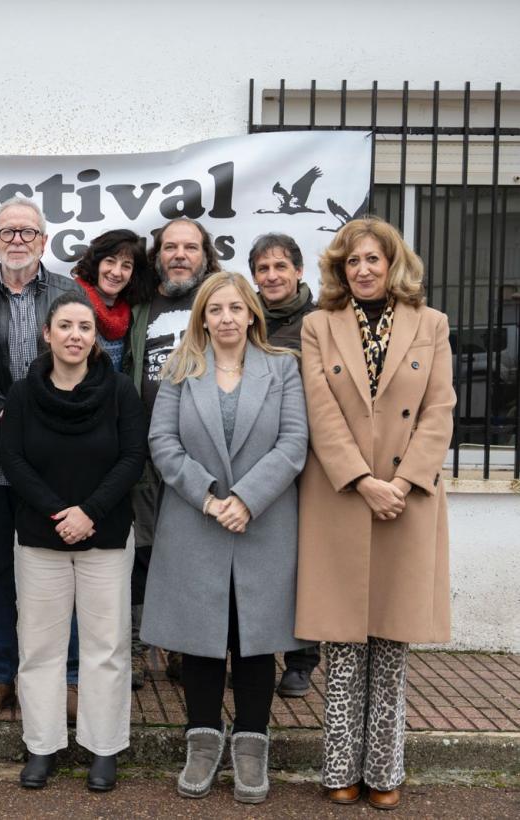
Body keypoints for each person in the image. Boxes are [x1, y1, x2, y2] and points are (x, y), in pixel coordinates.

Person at [295, 218, 454, 812]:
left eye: (373, 260)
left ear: (393, 265)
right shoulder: (318, 325)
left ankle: (385, 768)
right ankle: (339, 767)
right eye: (352, 261)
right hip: (341, 496)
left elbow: (440, 410)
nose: (363, 269)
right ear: (339, 270)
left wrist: (402, 481)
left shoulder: (431, 324)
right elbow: (319, 411)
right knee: (343, 645)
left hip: (407, 502)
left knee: (391, 642)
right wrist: (363, 481)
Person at [141, 272, 310, 805]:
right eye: (216, 310)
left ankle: (253, 747)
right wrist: (211, 498)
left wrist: (246, 499)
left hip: (263, 522)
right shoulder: (180, 369)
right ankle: (203, 743)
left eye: (237, 308)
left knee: (256, 642)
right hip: (197, 520)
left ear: (252, 315)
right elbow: (162, 442)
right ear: (203, 318)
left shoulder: (283, 369)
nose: (227, 318)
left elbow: (294, 442)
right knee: (201, 642)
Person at [0, 292, 147, 792]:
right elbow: (14, 461)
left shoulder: (120, 390)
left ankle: (103, 749)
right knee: (40, 646)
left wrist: (90, 512)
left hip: (104, 536)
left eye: (85, 327)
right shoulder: (22, 393)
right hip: (41, 538)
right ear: (47, 333)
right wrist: (58, 513)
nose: (75, 335)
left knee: (106, 647)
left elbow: (132, 458)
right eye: (65, 325)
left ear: (96, 337)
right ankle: (41, 746)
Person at [0, 197, 82, 722]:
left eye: (28, 232)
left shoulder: (70, 294)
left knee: (60, 567)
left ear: (44, 242)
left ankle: (67, 676)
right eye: (8, 232)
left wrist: (43, 418)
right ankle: (0, 674)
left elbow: (81, 360)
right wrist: (9, 410)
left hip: (59, 459)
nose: (18, 240)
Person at [125, 218, 222, 684]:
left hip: (204, 452)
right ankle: (143, 645)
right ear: (157, 255)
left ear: (206, 255)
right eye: (170, 247)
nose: (180, 255)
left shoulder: (221, 301)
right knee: (145, 551)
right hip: (145, 451)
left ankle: (189, 648)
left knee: (196, 551)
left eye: (191, 247)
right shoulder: (139, 305)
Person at [247, 232, 320, 698]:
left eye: (279, 267)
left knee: (302, 560)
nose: (271, 276)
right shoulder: (245, 319)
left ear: (297, 271)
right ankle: (256, 653)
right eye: (262, 269)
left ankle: (301, 658)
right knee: (260, 560)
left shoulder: (321, 323)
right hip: (256, 460)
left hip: (309, 457)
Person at [70, 229, 150, 372]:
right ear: (97, 263)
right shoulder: (70, 302)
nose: (116, 272)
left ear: (133, 274)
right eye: (110, 261)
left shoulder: (135, 311)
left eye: (126, 266)